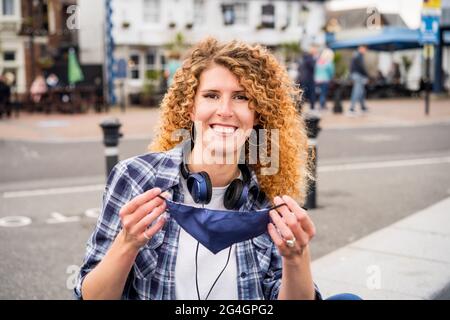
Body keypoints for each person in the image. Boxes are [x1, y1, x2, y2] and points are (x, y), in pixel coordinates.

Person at [75, 37, 360, 300]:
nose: (225, 110)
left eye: (241, 97)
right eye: (211, 95)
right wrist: (127, 243)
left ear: (257, 113)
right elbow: (91, 296)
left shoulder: (269, 197)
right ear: (190, 108)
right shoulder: (136, 178)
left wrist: (297, 258)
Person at [296, 44, 318, 111]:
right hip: (309, 79)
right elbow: (313, 68)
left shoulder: (303, 58)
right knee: (311, 94)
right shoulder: (310, 59)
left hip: (302, 78)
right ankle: (312, 108)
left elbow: (299, 68)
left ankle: (299, 108)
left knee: (302, 94)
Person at [349, 45, 369, 115]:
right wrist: (367, 75)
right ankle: (351, 108)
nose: (365, 51)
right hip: (357, 75)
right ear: (361, 49)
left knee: (361, 91)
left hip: (357, 75)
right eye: (364, 49)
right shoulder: (358, 55)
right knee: (357, 91)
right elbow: (361, 67)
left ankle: (363, 107)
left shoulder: (357, 55)